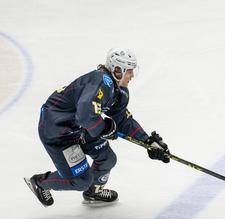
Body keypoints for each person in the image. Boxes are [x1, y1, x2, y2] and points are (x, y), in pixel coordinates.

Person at [24, 48, 170, 207]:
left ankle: (93, 193)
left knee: (107, 159)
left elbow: (121, 119)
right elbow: (85, 114)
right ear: (117, 70)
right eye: (129, 71)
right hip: (58, 130)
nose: (132, 75)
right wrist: (104, 129)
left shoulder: (117, 89)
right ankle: (39, 182)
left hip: (80, 127)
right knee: (81, 181)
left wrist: (147, 141)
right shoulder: (102, 82)